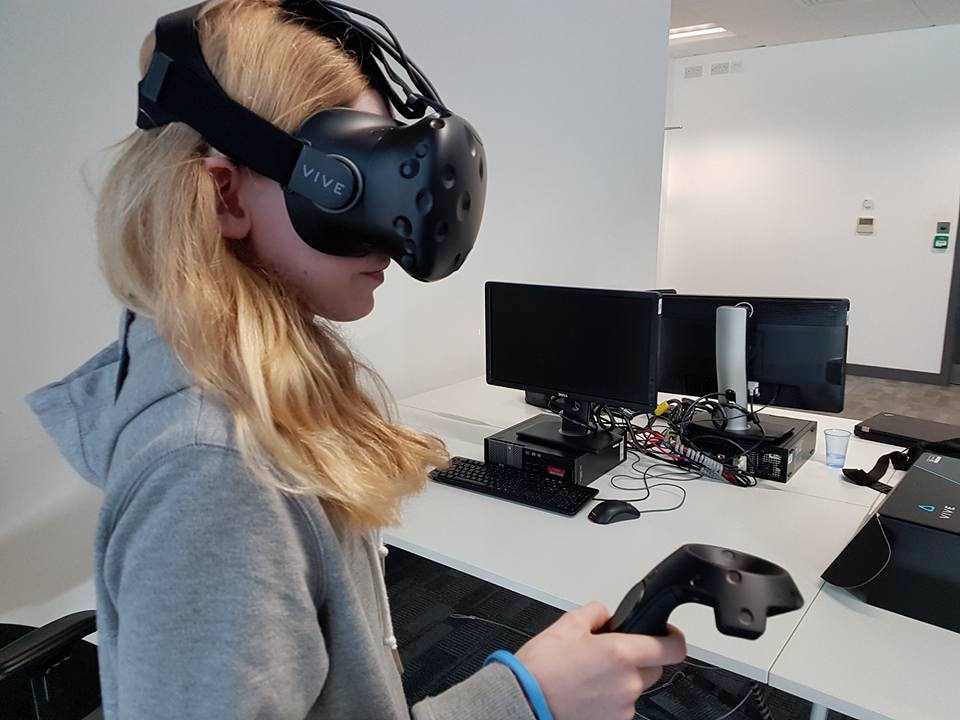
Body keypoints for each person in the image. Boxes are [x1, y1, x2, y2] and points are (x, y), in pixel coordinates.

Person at [26, 1, 686, 718]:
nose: (397, 241)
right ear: (224, 196)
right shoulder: (212, 475)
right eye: (359, 186)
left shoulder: (248, 397)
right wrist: (528, 698)